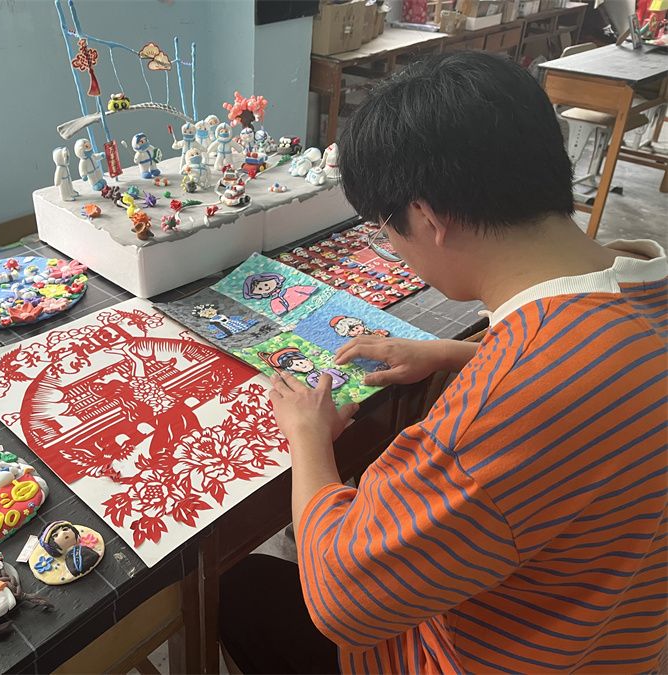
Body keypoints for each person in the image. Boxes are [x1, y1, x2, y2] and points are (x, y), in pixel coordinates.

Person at [219, 52, 667, 674]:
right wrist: (457, 351)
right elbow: (594, 371)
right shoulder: (645, 283)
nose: (393, 249)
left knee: (240, 589)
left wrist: (309, 440)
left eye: (386, 232)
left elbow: (340, 599)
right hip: (613, 635)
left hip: (482, 656)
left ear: (428, 218)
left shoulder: (502, 406)